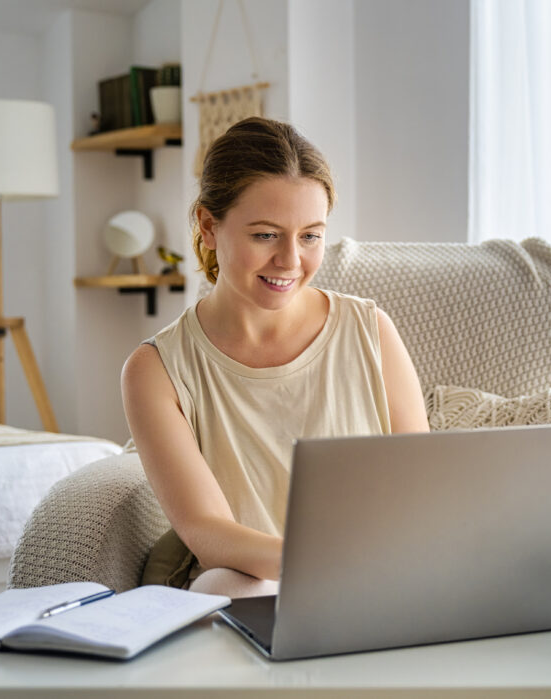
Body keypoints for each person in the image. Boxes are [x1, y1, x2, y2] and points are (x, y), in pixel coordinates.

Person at [121, 117, 429, 598]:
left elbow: (420, 485)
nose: (290, 261)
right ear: (208, 226)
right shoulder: (156, 369)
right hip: (253, 582)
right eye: (266, 235)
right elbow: (205, 531)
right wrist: (323, 564)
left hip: (378, 573)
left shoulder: (371, 332)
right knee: (227, 587)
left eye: (310, 236)